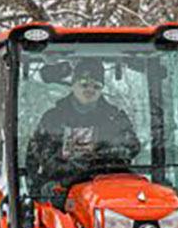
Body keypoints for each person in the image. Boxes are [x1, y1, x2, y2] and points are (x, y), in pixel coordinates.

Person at [26, 60, 140, 196]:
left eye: (96, 86)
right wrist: (39, 187)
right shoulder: (53, 118)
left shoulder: (115, 118)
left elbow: (132, 147)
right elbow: (37, 155)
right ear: (73, 85)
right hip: (62, 188)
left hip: (108, 186)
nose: (90, 90)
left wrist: (105, 156)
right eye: (84, 84)